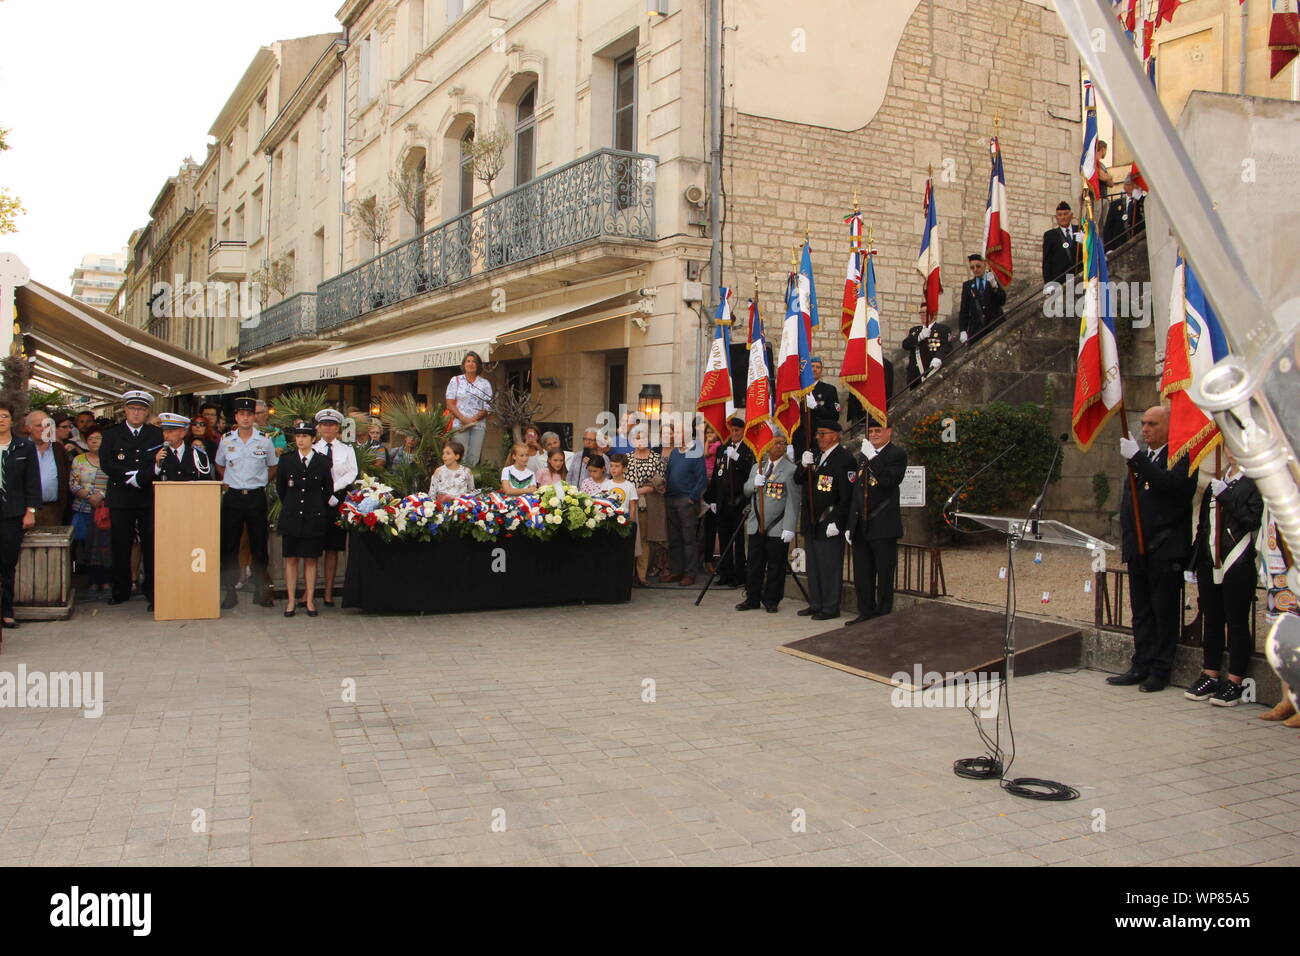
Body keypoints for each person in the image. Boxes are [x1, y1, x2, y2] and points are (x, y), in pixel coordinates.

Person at [1108, 406, 1197, 692]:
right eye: (1144, 423)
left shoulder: (1182, 458)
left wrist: (1136, 459)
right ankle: (1141, 664)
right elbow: (1128, 504)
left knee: (1163, 611)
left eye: (1153, 424)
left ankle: (1160, 669)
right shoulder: (1143, 459)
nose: (1145, 429)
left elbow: (1169, 485)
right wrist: (1130, 544)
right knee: (1142, 611)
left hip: (1165, 549)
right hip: (1140, 549)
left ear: (1170, 426)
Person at [1185, 453, 1262, 707]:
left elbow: (1252, 520)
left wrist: (1227, 497)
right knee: (1212, 619)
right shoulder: (1216, 480)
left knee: (1236, 621)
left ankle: (1235, 680)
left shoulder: (1254, 483)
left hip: (1236, 562)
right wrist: (1193, 561)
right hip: (1210, 560)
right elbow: (1203, 527)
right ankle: (1210, 673)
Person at [99, 390, 163, 607]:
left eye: (142, 409)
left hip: (146, 495)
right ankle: (121, 589)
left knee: (150, 544)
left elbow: (156, 461)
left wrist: (141, 477)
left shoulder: (154, 434)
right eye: (133, 409)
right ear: (125, 410)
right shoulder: (111, 434)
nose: (137, 413)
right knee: (120, 544)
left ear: (147, 412)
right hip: (121, 495)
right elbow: (107, 463)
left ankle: (151, 588)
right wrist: (130, 477)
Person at [215, 397, 277, 609]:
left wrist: (258, 483)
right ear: (236, 417)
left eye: (249, 414)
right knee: (229, 545)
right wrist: (232, 482)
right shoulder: (226, 440)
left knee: (259, 545)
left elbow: (272, 466)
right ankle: (230, 591)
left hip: (255, 497)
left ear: (254, 417)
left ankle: (260, 589)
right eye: (241, 414)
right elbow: (220, 465)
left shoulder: (264, 440)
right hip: (232, 496)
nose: (245, 418)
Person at [846, 420, 907, 623]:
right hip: (862, 524)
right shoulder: (864, 454)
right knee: (863, 574)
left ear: (889, 431)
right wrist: (850, 523)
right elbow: (857, 491)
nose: (873, 434)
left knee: (884, 573)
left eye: (877, 430)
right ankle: (866, 612)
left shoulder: (896, 454)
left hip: (883, 524)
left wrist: (873, 457)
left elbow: (889, 480)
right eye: (870, 431)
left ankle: (883, 614)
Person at [794, 420, 855, 620]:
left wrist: (838, 522)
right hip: (812, 520)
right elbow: (798, 479)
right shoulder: (817, 456)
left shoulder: (844, 459)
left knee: (829, 566)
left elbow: (847, 497)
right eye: (817, 433)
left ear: (836, 435)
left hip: (828, 520)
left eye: (823, 433)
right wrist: (803, 465)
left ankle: (830, 607)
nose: (818, 437)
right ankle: (816, 603)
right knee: (814, 566)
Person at [736, 434, 800, 614]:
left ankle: (772, 600)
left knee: (775, 566)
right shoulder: (758, 466)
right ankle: (752, 598)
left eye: (783, 444)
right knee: (754, 564)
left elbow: (793, 501)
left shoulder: (790, 470)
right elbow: (746, 490)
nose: (779, 446)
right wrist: (755, 483)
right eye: (775, 443)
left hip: (777, 526)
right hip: (756, 523)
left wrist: (789, 525)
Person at [276, 422, 333, 618]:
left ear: (313, 439)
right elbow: (281, 489)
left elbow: (328, 489)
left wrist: (315, 507)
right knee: (291, 559)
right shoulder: (287, 460)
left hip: (313, 517)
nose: (300, 440)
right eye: (298, 436)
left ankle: (309, 600)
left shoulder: (322, 461)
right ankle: (291, 600)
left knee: (311, 559)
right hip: (292, 516)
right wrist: (292, 506)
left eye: (305, 436)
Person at [0, 401, 42, 628]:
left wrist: (30, 511)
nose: (1, 420)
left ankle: (7, 610)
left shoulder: (23, 447)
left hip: (13, 512)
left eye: (5, 416)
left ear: (12, 420)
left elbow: (32, 482)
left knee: (7, 562)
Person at [704, 412, 755, 588]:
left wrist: (738, 459)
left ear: (743, 431)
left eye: (737, 430)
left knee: (738, 541)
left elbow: (751, 470)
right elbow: (718, 477)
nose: (734, 434)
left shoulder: (748, 449)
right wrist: (712, 499)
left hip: (739, 501)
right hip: (722, 501)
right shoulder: (722, 449)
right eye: (732, 430)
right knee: (724, 538)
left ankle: (739, 575)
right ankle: (725, 573)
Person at [313, 408, 358, 607]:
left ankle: (329, 592)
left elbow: (351, 473)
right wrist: (324, 492)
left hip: (337, 501)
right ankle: (310, 592)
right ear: (319, 427)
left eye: (331, 425)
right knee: (312, 548)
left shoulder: (346, 449)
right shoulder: (313, 448)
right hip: (316, 501)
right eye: (324, 424)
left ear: (338, 427)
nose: (328, 428)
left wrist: (333, 490)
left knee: (332, 549)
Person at [660, 423, 707, 587]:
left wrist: (692, 498)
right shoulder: (674, 453)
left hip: (686, 501)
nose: (675, 435)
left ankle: (689, 574)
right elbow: (668, 473)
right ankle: (676, 570)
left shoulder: (695, 452)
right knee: (674, 538)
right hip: (671, 499)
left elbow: (702, 478)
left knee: (688, 539)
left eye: (679, 432)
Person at [68, 425, 112, 596]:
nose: (94, 441)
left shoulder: (110, 459)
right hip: (84, 508)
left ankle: (107, 579)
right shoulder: (79, 459)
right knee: (88, 545)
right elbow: (73, 483)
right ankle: (92, 580)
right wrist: (88, 496)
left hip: (105, 509)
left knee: (105, 546)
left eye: (98, 438)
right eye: (91, 438)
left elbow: (116, 481)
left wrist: (100, 495)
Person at [625, 423, 667, 586]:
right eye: (637, 437)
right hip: (629, 504)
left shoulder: (656, 458)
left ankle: (642, 575)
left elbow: (661, 480)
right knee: (629, 538)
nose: (640, 440)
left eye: (643, 436)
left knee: (644, 540)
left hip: (648, 504)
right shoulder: (627, 458)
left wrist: (642, 490)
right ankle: (628, 573)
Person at [445, 350, 494, 466]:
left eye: (474, 361)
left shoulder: (485, 383)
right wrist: (463, 419)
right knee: (460, 455)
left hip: (478, 425)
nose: (471, 364)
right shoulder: (455, 380)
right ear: (464, 364)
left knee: (474, 457)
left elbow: (488, 406)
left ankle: (469, 482)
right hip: (460, 425)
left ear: (478, 365)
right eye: (468, 361)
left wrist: (473, 420)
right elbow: (450, 403)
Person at [25, 411, 69, 527]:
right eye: (39, 425)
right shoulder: (20, 448)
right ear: (28, 428)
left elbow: (66, 477)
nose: (44, 429)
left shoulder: (58, 449)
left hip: (53, 510)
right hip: (24, 510)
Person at [901, 303, 954, 388]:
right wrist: (919, 337)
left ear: (934, 314)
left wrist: (938, 357)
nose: (923, 315)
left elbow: (947, 346)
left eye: (926, 312)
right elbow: (905, 345)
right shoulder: (915, 330)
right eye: (921, 312)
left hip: (933, 371)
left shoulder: (943, 329)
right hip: (916, 376)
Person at [957, 253, 1007, 345]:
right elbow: (964, 310)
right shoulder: (968, 285)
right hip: (976, 329)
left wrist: (994, 286)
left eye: (978, 266)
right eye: (972, 267)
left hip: (995, 324)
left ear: (985, 264)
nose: (975, 269)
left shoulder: (993, 279)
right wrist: (963, 330)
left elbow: (1002, 301)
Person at [153, 412, 213, 481]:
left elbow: (207, 483)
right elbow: (145, 481)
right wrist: (157, 466)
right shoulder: (156, 453)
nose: (165, 436)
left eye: (170, 431)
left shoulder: (198, 455)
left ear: (183, 433)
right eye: (164, 431)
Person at [1041, 201, 1082, 286]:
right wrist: (1048, 283)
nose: (1063, 217)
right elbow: (1047, 261)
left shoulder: (1080, 230)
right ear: (1056, 217)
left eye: (1065, 214)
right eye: (1060, 215)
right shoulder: (1050, 235)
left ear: (1071, 215)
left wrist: (1085, 242)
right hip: (1060, 280)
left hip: (1079, 278)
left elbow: (1090, 252)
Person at [1103, 176, 1145, 249]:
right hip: (1119, 246)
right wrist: (1108, 249)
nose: (1136, 187)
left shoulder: (1143, 202)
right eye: (1131, 184)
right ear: (1125, 187)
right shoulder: (1115, 204)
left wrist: (1141, 198)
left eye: (1137, 185)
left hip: (1139, 245)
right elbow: (1108, 228)